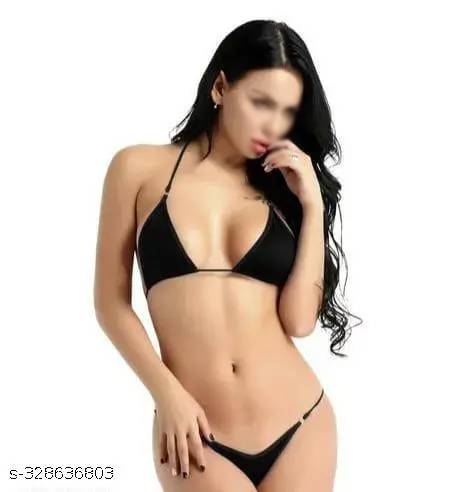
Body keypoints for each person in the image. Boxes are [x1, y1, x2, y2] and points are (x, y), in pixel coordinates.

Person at [94, 19, 359, 492]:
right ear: (220, 87)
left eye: (287, 112)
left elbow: (299, 321)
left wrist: (313, 204)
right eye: (261, 103)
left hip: (300, 423)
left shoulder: (281, 189)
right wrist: (167, 394)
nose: (273, 126)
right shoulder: (136, 169)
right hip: (195, 434)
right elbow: (111, 304)